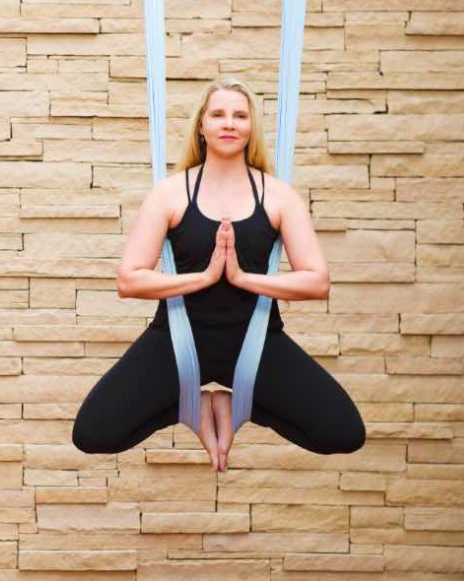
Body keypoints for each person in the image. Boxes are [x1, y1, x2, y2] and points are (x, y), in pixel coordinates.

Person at [72, 78, 365, 471]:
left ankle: (235, 403)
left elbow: (316, 281)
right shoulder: (171, 193)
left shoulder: (278, 196)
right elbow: (130, 279)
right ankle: (189, 407)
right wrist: (205, 278)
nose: (230, 123)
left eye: (240, 115)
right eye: (219, 114)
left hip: (256, 341)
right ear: (202, 126)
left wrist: (244, 278)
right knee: (94, 433)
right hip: (177, 340)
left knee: (342, 432)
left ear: (250, 127)